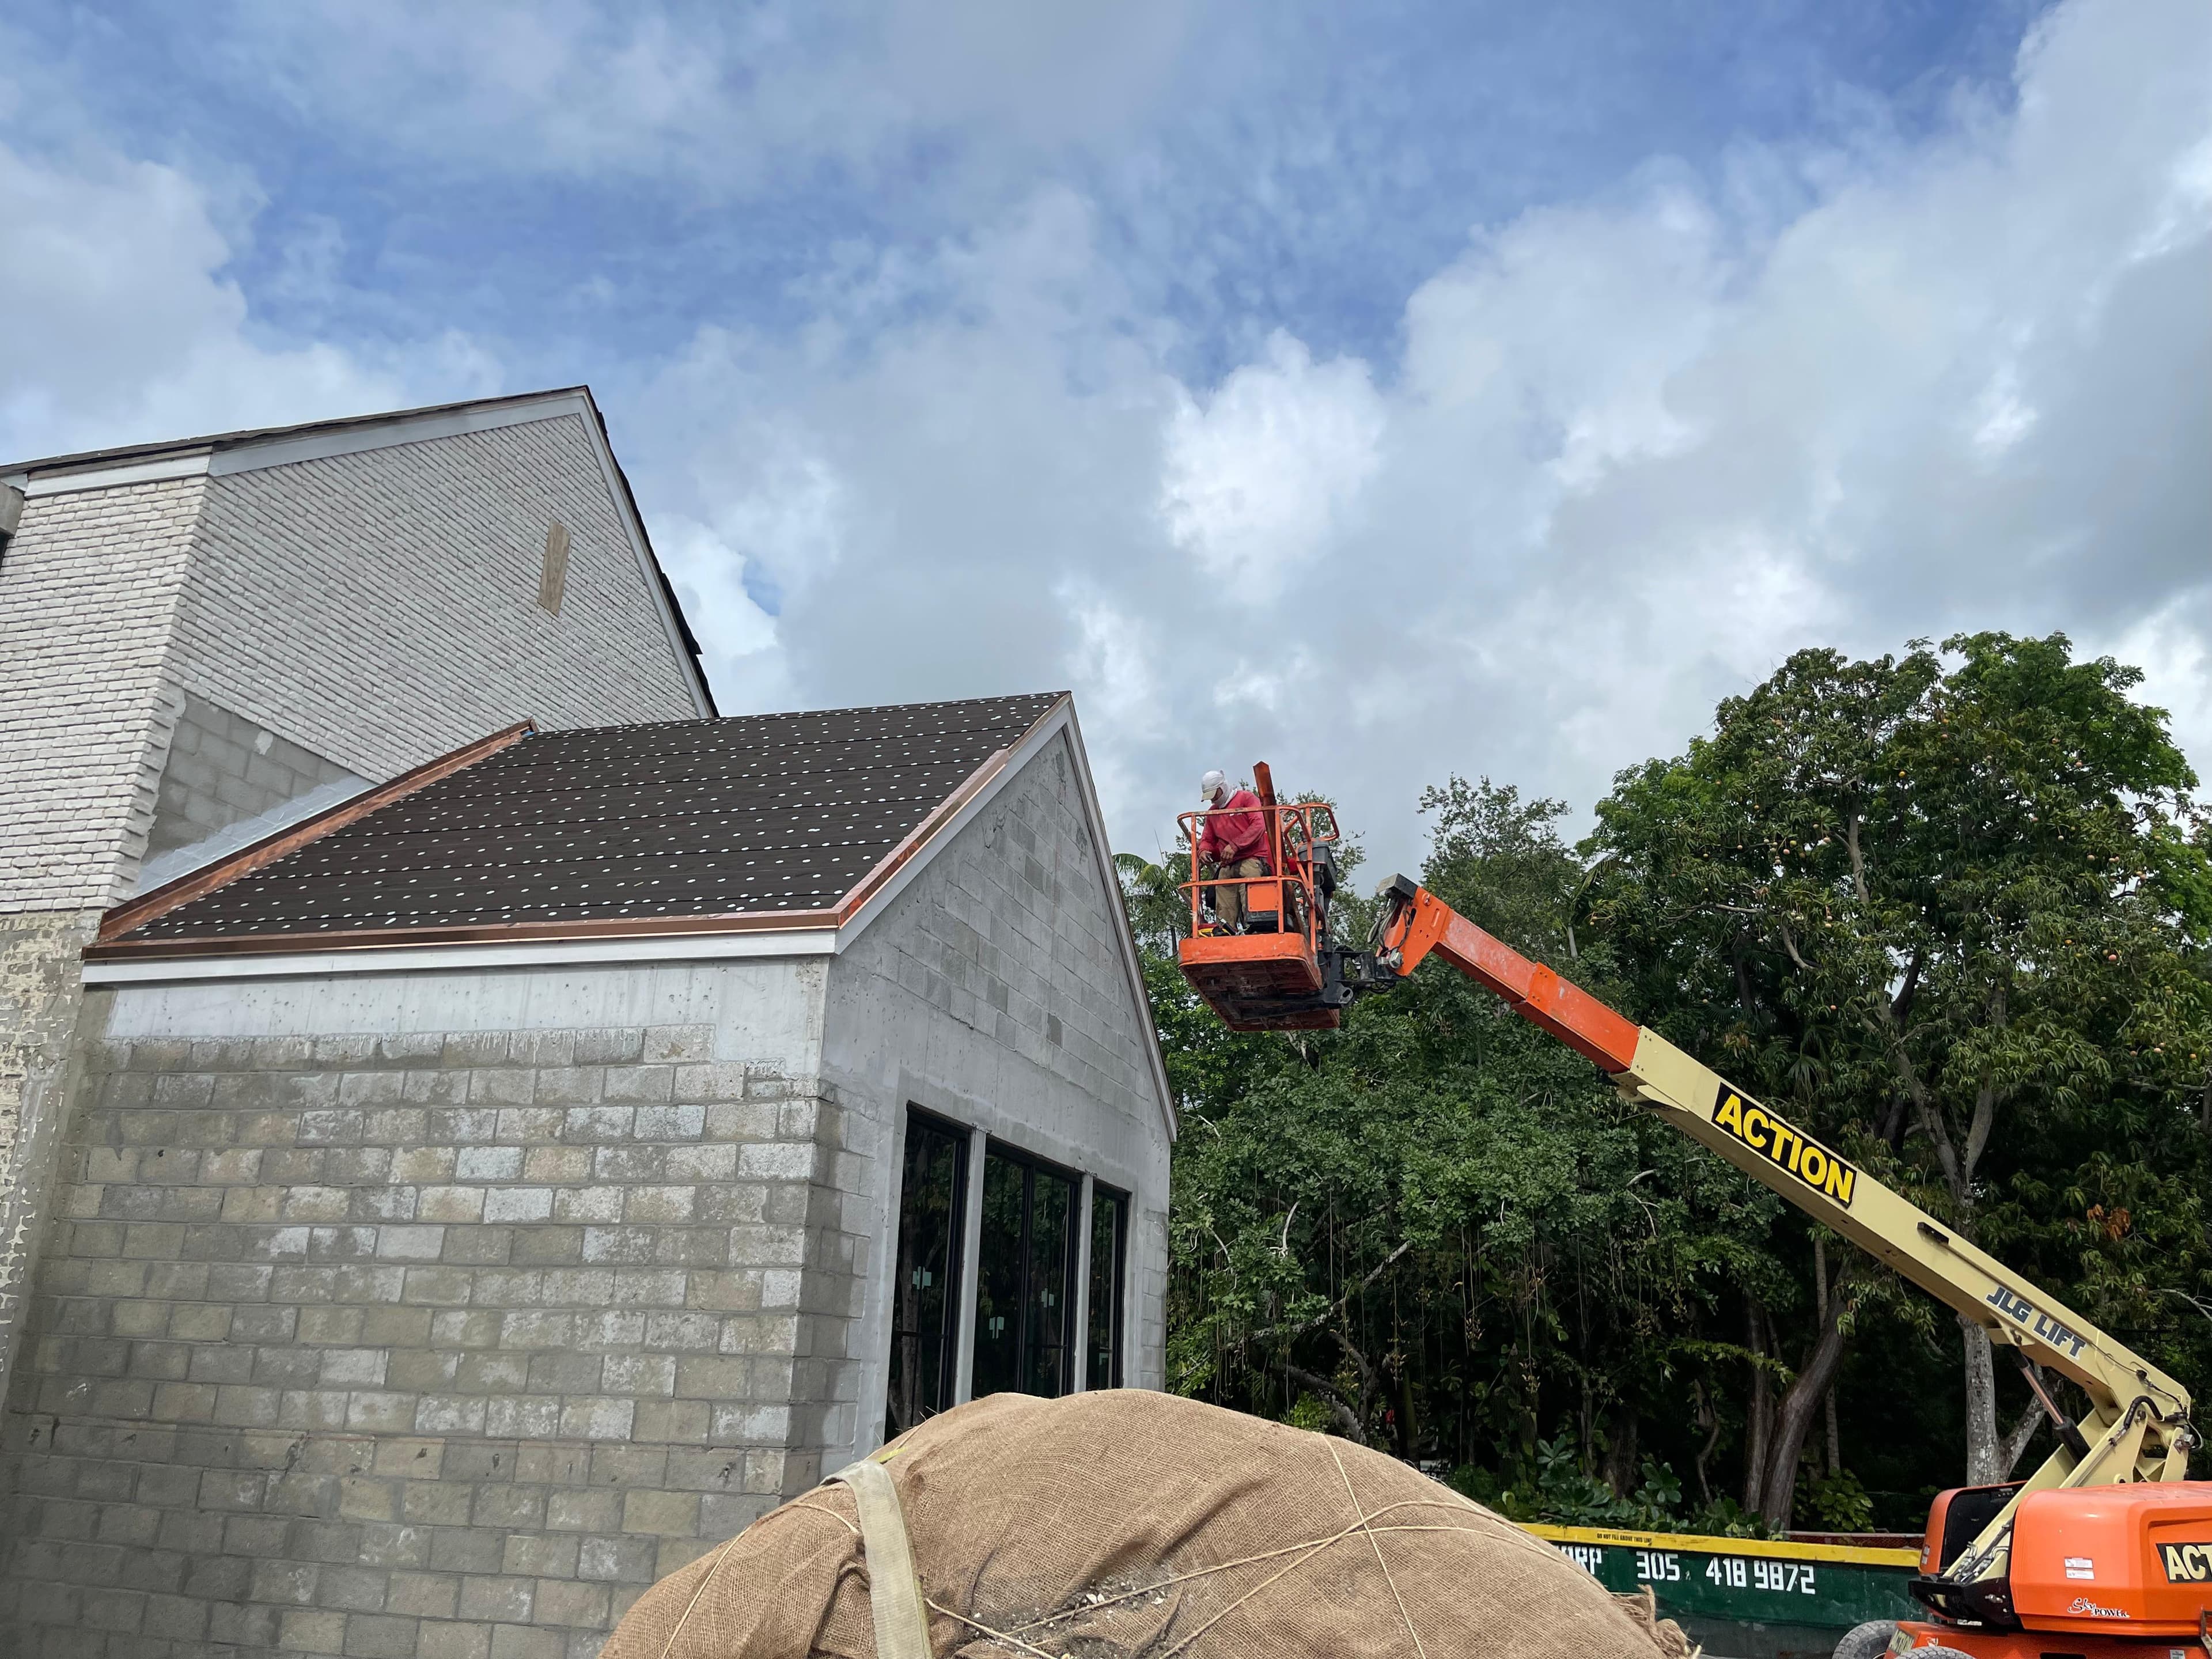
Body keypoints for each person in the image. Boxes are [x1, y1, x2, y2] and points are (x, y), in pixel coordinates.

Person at [1195, 769, 1271, 931]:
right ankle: (1225, 930)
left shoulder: (1246, 798)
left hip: (1252, 858)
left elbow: (1258, 826)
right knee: (1223, 890)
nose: (1213, 800)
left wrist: (1235, 846)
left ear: (1223, 787)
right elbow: (1207, 839)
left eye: (1215, 794)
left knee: (1251, 887)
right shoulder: (1213, 813)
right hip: (1228, 864)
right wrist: (1203, 851)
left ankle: (1254, 928)